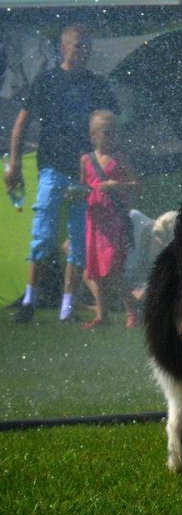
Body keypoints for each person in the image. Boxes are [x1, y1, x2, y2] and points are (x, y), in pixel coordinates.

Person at [4, 24, 118, 324]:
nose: (84, 51)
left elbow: (112, 123)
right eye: (78, 45)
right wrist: (14, 164)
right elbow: (21, 124)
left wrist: (113, 160)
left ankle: (67, 306)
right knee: (43, 234)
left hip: (84, 173)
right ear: (63, 47)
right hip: (52, 167)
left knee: (81, 240)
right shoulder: (47, 80)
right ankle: (30, 299)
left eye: (87, 46)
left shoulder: (96, 84)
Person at [80, 110, 138, 329]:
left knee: (113, 268)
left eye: (115, 132)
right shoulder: (86, 160)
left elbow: (137, 186)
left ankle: (132, 310)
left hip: (114, 219)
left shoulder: (120, 159)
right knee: (94, 270)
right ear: (93, 134)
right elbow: (83, 187)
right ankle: (102, 315)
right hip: (93, 220)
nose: (111, 137)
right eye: (106, 132)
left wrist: (117, 185)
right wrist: (77, 194)